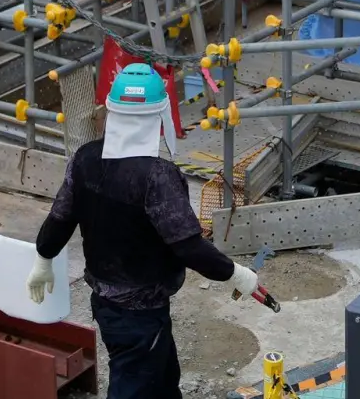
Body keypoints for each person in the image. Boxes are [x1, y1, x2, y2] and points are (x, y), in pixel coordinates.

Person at [26, 63, 259, 399]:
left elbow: (61, 217)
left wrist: (43, 258)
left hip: (106, 301)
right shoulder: (156, 177)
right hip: (141, 309)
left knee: (162, 374)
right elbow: (188, 247)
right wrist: (235, 274)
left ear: (111, 111)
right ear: (159, 117)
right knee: (134, 380)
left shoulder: (86, 159)